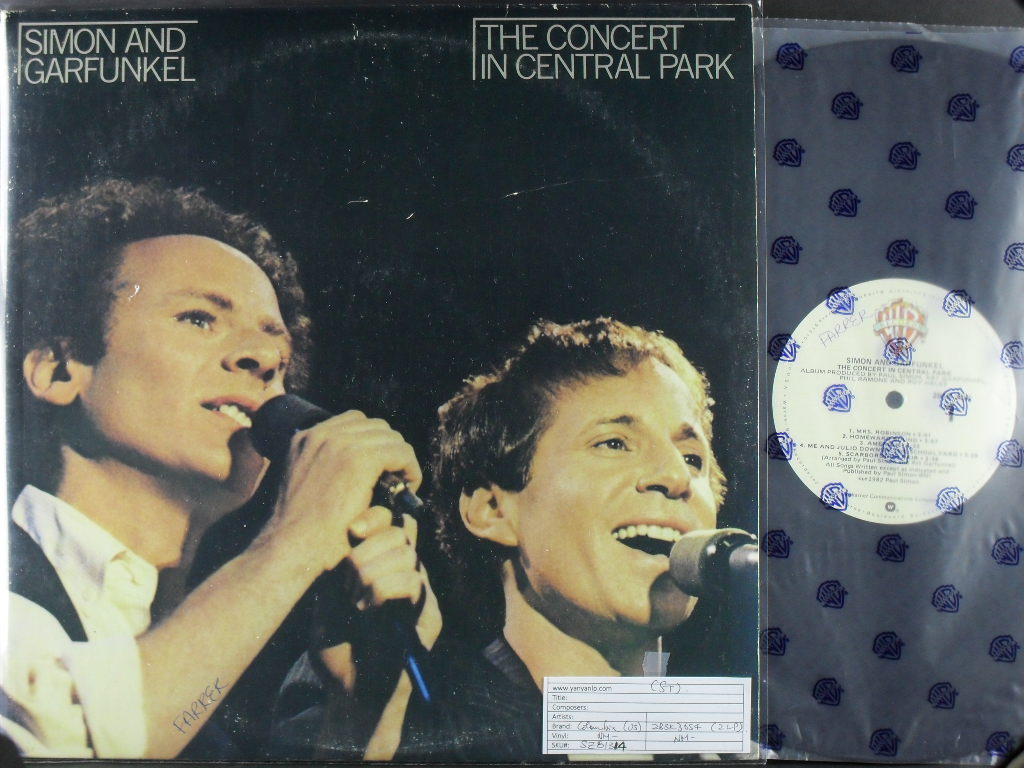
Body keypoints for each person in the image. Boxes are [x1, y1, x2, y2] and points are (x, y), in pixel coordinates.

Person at [2, 179, 440, 759]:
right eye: (198, 319)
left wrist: (359, 717)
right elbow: (57, 731)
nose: (263, 360)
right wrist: (298, 538)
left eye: (279, 353)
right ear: (59, 371)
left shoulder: (208, 709)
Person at [277, 317, 735, 761]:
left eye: (692, 457)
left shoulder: (731, 745)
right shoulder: (382, 715)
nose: (677, 476)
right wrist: (363, 720)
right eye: (613, 443)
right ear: (493, 510)